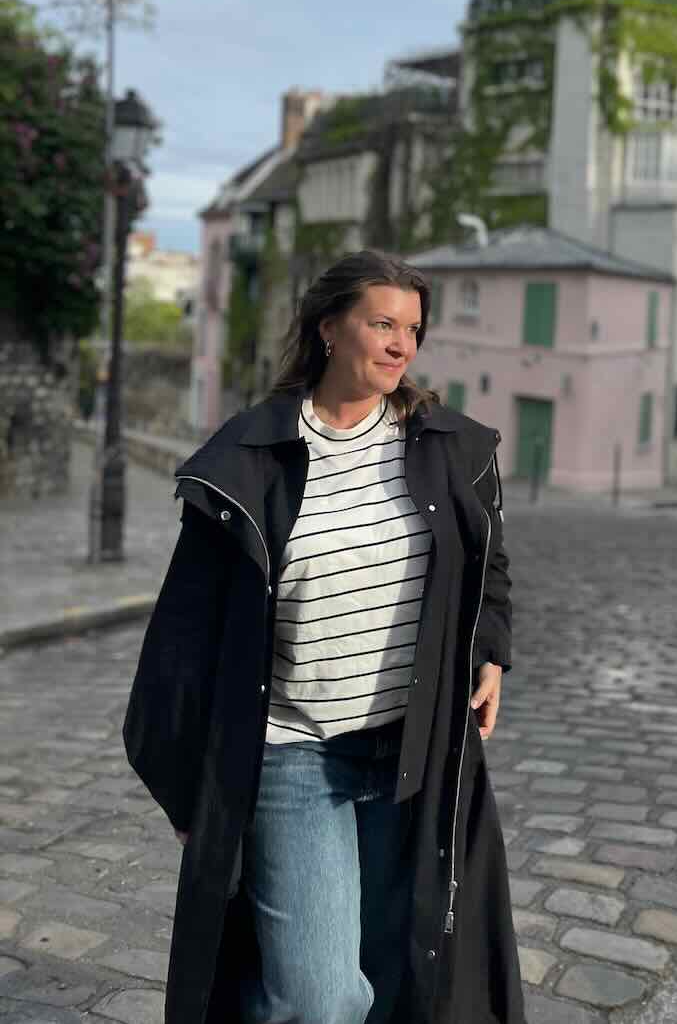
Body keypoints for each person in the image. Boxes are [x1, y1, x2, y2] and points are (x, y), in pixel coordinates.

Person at [123, 250, 523, 1024]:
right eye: (382, 323)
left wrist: (491, 650)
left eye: (412, 329)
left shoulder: (449, 448)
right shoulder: (248, 458)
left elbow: (488, 562)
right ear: (328, 329)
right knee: (321, 993)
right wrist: (186, 781)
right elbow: (183, 635)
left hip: (411, 753)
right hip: (292, 755)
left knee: (396, 968)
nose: (401, 344)